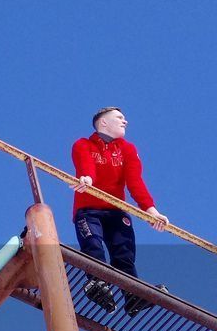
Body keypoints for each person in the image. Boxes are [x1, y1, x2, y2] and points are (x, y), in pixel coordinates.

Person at [71, 106, 168, 316]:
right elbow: (87, 165)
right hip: (89, 209)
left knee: (124, 253)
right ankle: (97, 283)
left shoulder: (128, 149)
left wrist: (151, 211)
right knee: (93, 244)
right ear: (103, 122)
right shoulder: (83, 144)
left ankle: (133, 296)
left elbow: (135, 182)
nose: (125, 122)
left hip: (116, 210)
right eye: (120, 118)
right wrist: (86, 178)